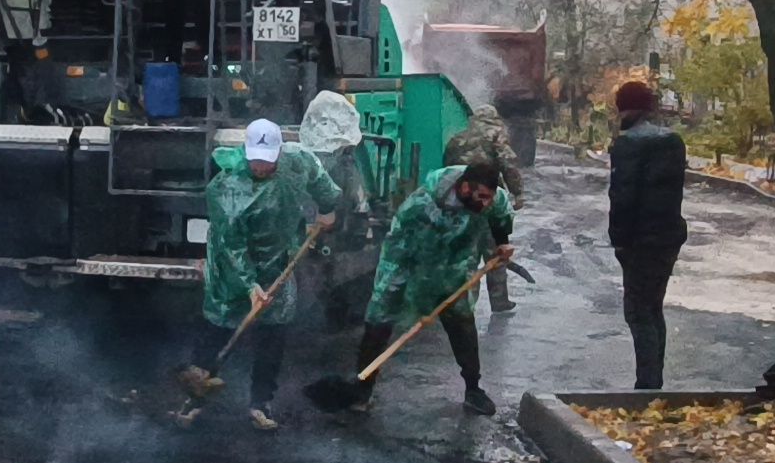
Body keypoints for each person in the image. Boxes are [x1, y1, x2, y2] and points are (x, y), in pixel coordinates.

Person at [188, 118, 341, 429]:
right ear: (246, 152)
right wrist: (249, 286)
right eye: (256, 160)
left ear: (279, 152)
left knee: (273, 332)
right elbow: (232, 246)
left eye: (268, 160)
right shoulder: (225, 188)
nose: (261, 167)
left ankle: (261, 403)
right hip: (231, 268)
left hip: (278, 261)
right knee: (220, 324)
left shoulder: (297, 161)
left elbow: (322, 182)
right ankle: (195, 397)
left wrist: (327, 209)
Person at [348, 162, 514, 417]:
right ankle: (363, 388)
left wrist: (502, 242)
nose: (486, 204)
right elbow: (402, 248)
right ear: (465, 188)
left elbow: (500, 215)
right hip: (408, 259)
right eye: (482, 197)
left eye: (489, 198)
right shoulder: (421, 205)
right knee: (381, 315)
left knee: (462, 321)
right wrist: (419, 295)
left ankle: (473, 389)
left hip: (455, 263)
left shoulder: (493, 198)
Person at [607, 80, 688, 390]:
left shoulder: (629, 144)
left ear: (624, 108)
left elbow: (623, 197)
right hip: (668, 237)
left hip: (639, 242)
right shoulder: (673, 141)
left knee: (638, 312)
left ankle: (646, 386)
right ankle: (653, 382)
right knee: (653, 309)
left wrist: (619, 240)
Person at [444, 106, 526, 313]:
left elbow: (447, 168)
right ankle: (499, 301)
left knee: (466, 255)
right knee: (496, 251)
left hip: (461, 202)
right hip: (487, 200)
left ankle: (464, 305)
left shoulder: (457, 138)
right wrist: (517, 192)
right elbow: (508, 165)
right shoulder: (495, 135)